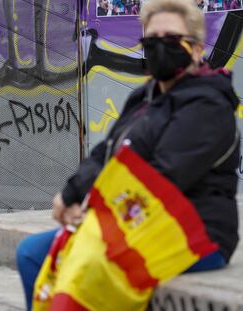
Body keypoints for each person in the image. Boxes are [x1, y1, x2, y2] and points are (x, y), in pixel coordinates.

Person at [17, 0, 240, 310]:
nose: (161, 47)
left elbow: (162, 175)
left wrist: (96, 211)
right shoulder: (144, 97)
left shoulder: (208, 105)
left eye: (172, 39)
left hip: (194, 231)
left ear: (198, 49)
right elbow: (105, 153)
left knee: (87, 261)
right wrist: (69, 195)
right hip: (135, 220)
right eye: (152, 40)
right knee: (30, 253)